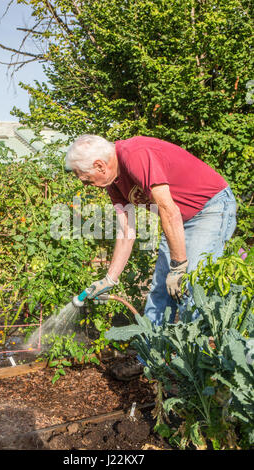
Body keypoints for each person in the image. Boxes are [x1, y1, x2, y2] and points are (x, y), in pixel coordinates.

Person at [65, 134, 237, 380]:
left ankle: (197, 372)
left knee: (190, 288)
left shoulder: (134, 155)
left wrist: (178, 267)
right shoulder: (113, 182)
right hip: (177, 218)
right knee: (159, 290)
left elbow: (167, 208)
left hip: (209, 208)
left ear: (99, 166)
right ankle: (150, 360)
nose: (86, 184)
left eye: (86, 179)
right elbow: (127, 230)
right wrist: (109, 279)